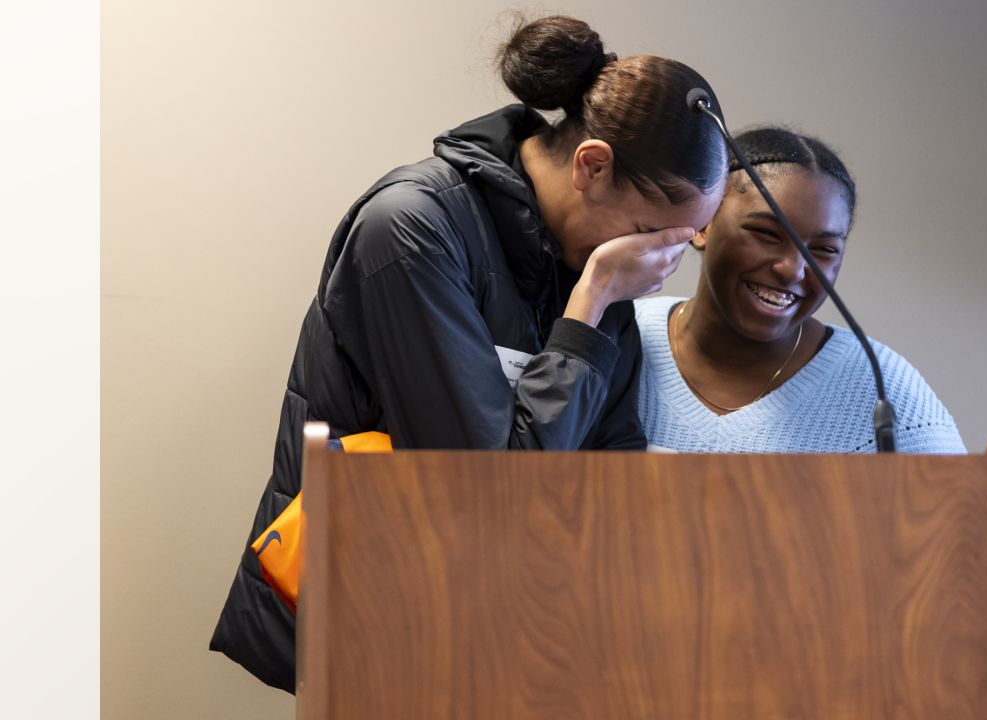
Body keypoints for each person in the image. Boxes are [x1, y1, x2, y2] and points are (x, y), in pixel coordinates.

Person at [211, 15, 729, 692]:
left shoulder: (592, 263)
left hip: (517, 631)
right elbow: (488, 492)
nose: (656, 265)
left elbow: (611, 465)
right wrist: (592, 301)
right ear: (592, 166)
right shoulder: (411, 229)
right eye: (650, 234)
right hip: (382, 623)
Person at [635, 127, 964, 454]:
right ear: (703, 223)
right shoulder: (620, 336)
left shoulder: (884, 387)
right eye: (766, 234)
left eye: (823, 249)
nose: (792, 269)